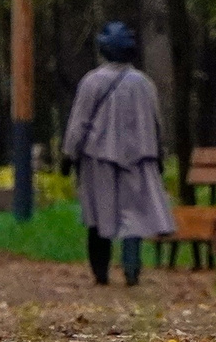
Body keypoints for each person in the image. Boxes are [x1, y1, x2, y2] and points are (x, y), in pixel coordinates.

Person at [61, 21, 172, 285]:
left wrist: (69, 154)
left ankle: (100, 273)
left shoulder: (92, 82)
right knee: (132, 216)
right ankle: (132, 271)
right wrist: (158, 154)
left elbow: (79, 123)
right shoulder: (144, 83)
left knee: (98, 215)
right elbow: (156, 123)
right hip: (138, 159)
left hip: (97, 159)